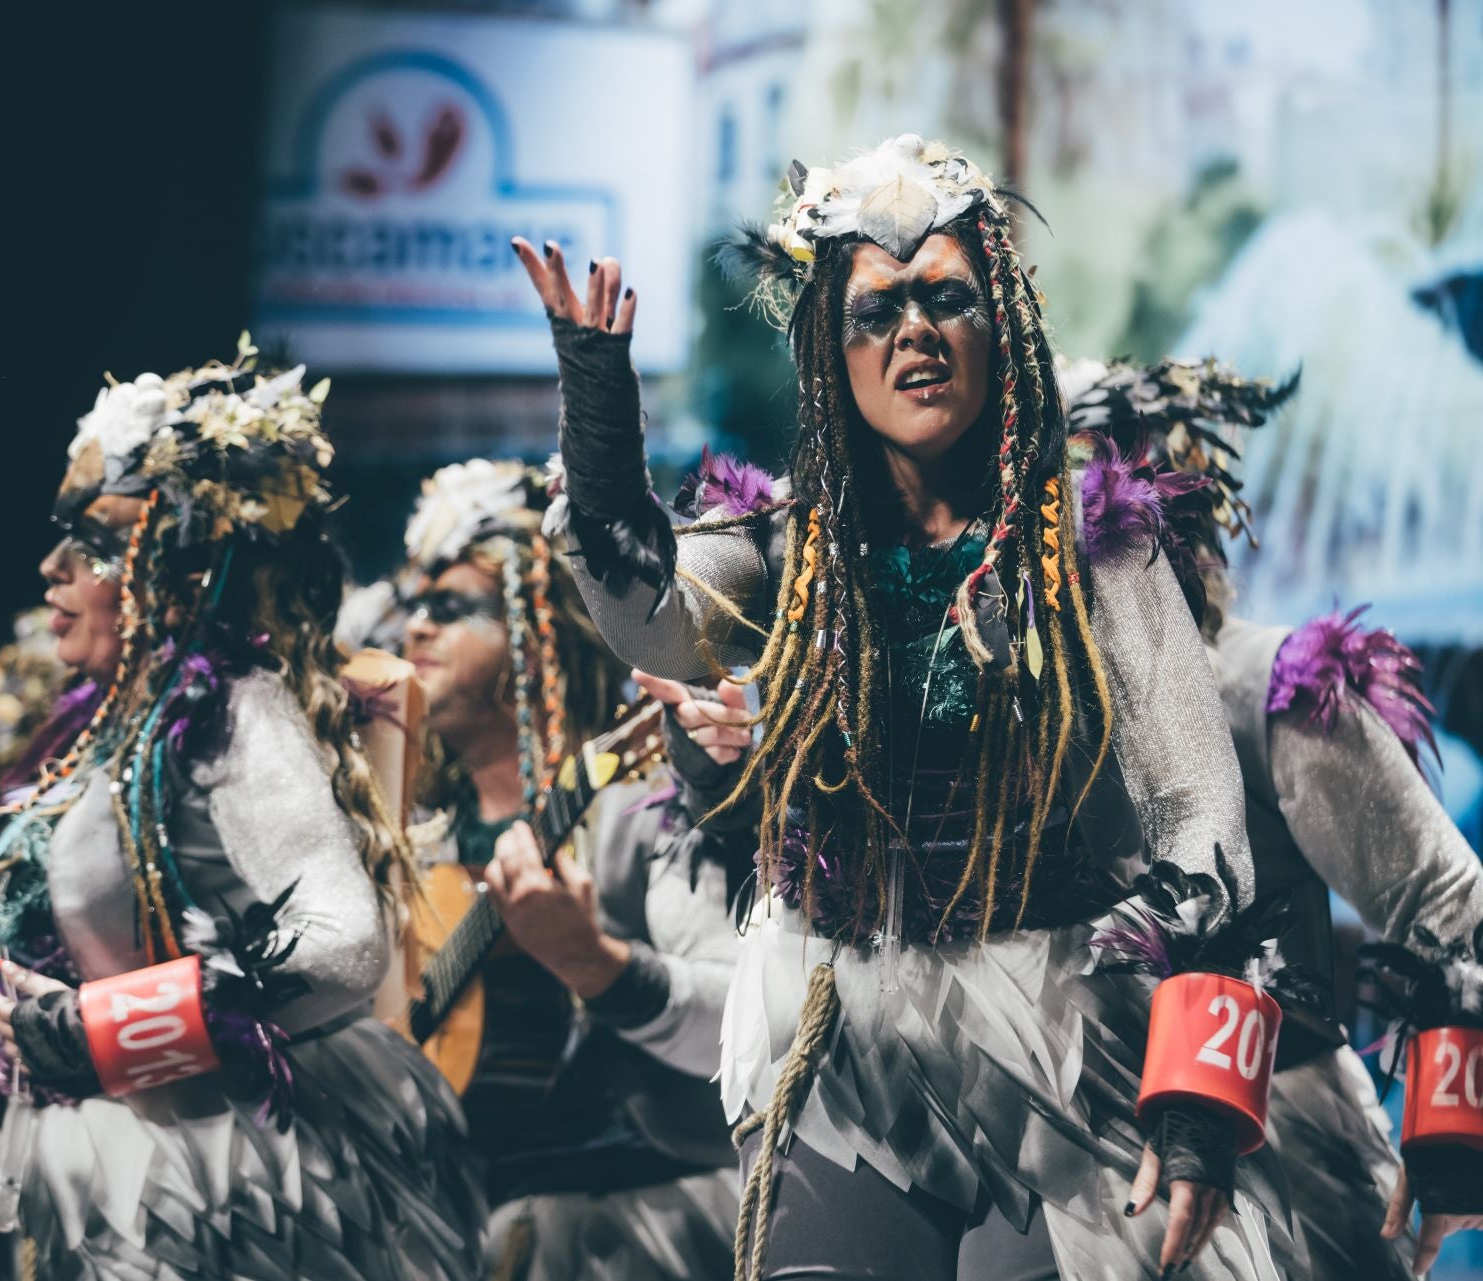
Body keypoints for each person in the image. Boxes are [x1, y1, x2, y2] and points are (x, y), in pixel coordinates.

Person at [512, 135, 1290, 1279]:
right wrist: (596, 401)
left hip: (1071, 1027)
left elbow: (1198, 818)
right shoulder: (790, 548)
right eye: (876, 311)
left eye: (946, 299)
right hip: (847, 1019)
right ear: (833, 355)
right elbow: (648, 620)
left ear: (1002, 329)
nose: (915, 331)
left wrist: (1196, 1111)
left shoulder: (1099, 549)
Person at [0, 345, 486, 1280]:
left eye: (90, 541)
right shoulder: (116, 725)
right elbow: (87, 965)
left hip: (220, 1187)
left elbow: (343, 945)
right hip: (122, 1176)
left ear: (174, 558)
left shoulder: (233, 709)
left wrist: (102, 1029)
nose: (50, 567)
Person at [1065, 356, 1483, 1279]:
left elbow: (1446, 899)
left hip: (1277, 1135)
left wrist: (1455, 1132)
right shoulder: (1004, 711)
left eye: (1094, 491)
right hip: (1074, 1140)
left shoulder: (1267, 690)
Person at [395, 458, 750, 1279]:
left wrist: (595, 963)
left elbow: (739, 1017)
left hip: (640, 1219)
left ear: (536, 627)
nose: (414, 628)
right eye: (414, 604)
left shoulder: (641, 798)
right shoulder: (418, 842)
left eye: (449, 607)